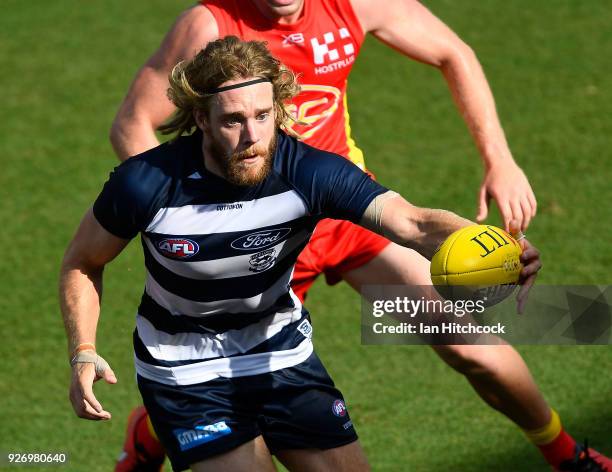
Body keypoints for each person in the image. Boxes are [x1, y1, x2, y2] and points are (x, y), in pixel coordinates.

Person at [108, 2, 610, 471]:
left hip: (352, 221)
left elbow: (453, 51)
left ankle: (567, 455)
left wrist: (499, 159)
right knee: (232, 368)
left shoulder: (351, 4)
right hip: (263, 246)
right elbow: (133, 124)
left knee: (470, 344)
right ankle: (150, 435)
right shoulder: (211, 24)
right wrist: (206, 218)